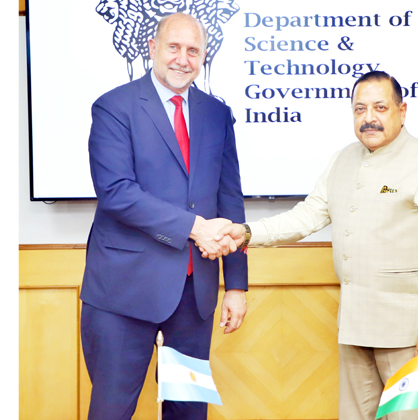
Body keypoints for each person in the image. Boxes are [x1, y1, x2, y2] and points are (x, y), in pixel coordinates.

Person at [211, 71, 418, 420]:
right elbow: (306, 217)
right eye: (360, 109)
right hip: (354, 328)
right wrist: (246, 232)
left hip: (409, 334)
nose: (369, 118)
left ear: (402, 110)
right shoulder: (343, 159)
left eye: (380, 107)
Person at [79, 12, 248, 420]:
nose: (182, 59)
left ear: (203, 57)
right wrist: (194, 228)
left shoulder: (216, 114)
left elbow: (230, 200)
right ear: (153, 48)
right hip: (123, 293)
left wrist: (237, 284)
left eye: (193, 51)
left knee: (188, 411)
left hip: (195, 295)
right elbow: (117, 193)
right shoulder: (114, 107)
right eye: (174, 47)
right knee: (112, 411)